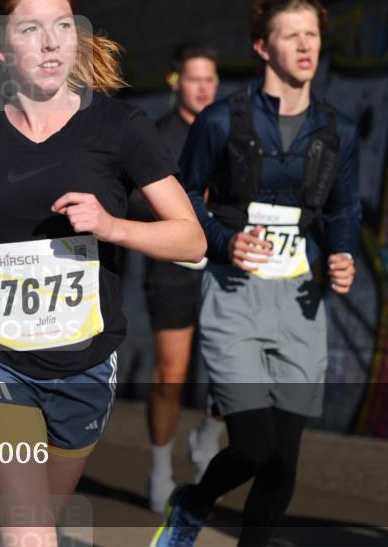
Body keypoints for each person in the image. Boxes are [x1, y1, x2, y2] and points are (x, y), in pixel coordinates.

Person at [0, 0, 206, 545]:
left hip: (86, 365)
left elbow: (190, 238)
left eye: (63, 26)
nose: (51, 43)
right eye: (30, 30)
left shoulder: (121, 126)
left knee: (29, 524)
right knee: (32, 536)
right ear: (0, 44)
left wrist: (113, 225)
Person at [153, 0, 360, 547]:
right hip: (234, 295)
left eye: (312, 34)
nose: (305, 45)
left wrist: (342, 254)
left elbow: (342, 209)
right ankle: (192, 502)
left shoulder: (338, 131)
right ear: (262, 47)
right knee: (252, 446)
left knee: (282, 464)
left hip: (299, 301)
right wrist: (222, 240)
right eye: (291, 34)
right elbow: (184, 197)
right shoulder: (220, 122)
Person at [129, 43, 225, 512]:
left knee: (231, 370)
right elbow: (130, 201)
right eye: (194, 79)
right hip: (171, 270)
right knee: (171, 375)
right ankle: (160, 466)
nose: (204, 88)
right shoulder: (155, 135)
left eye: (210, 79)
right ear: (176, 83)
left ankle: (206, 439)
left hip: (224, 265)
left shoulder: (229, 131)